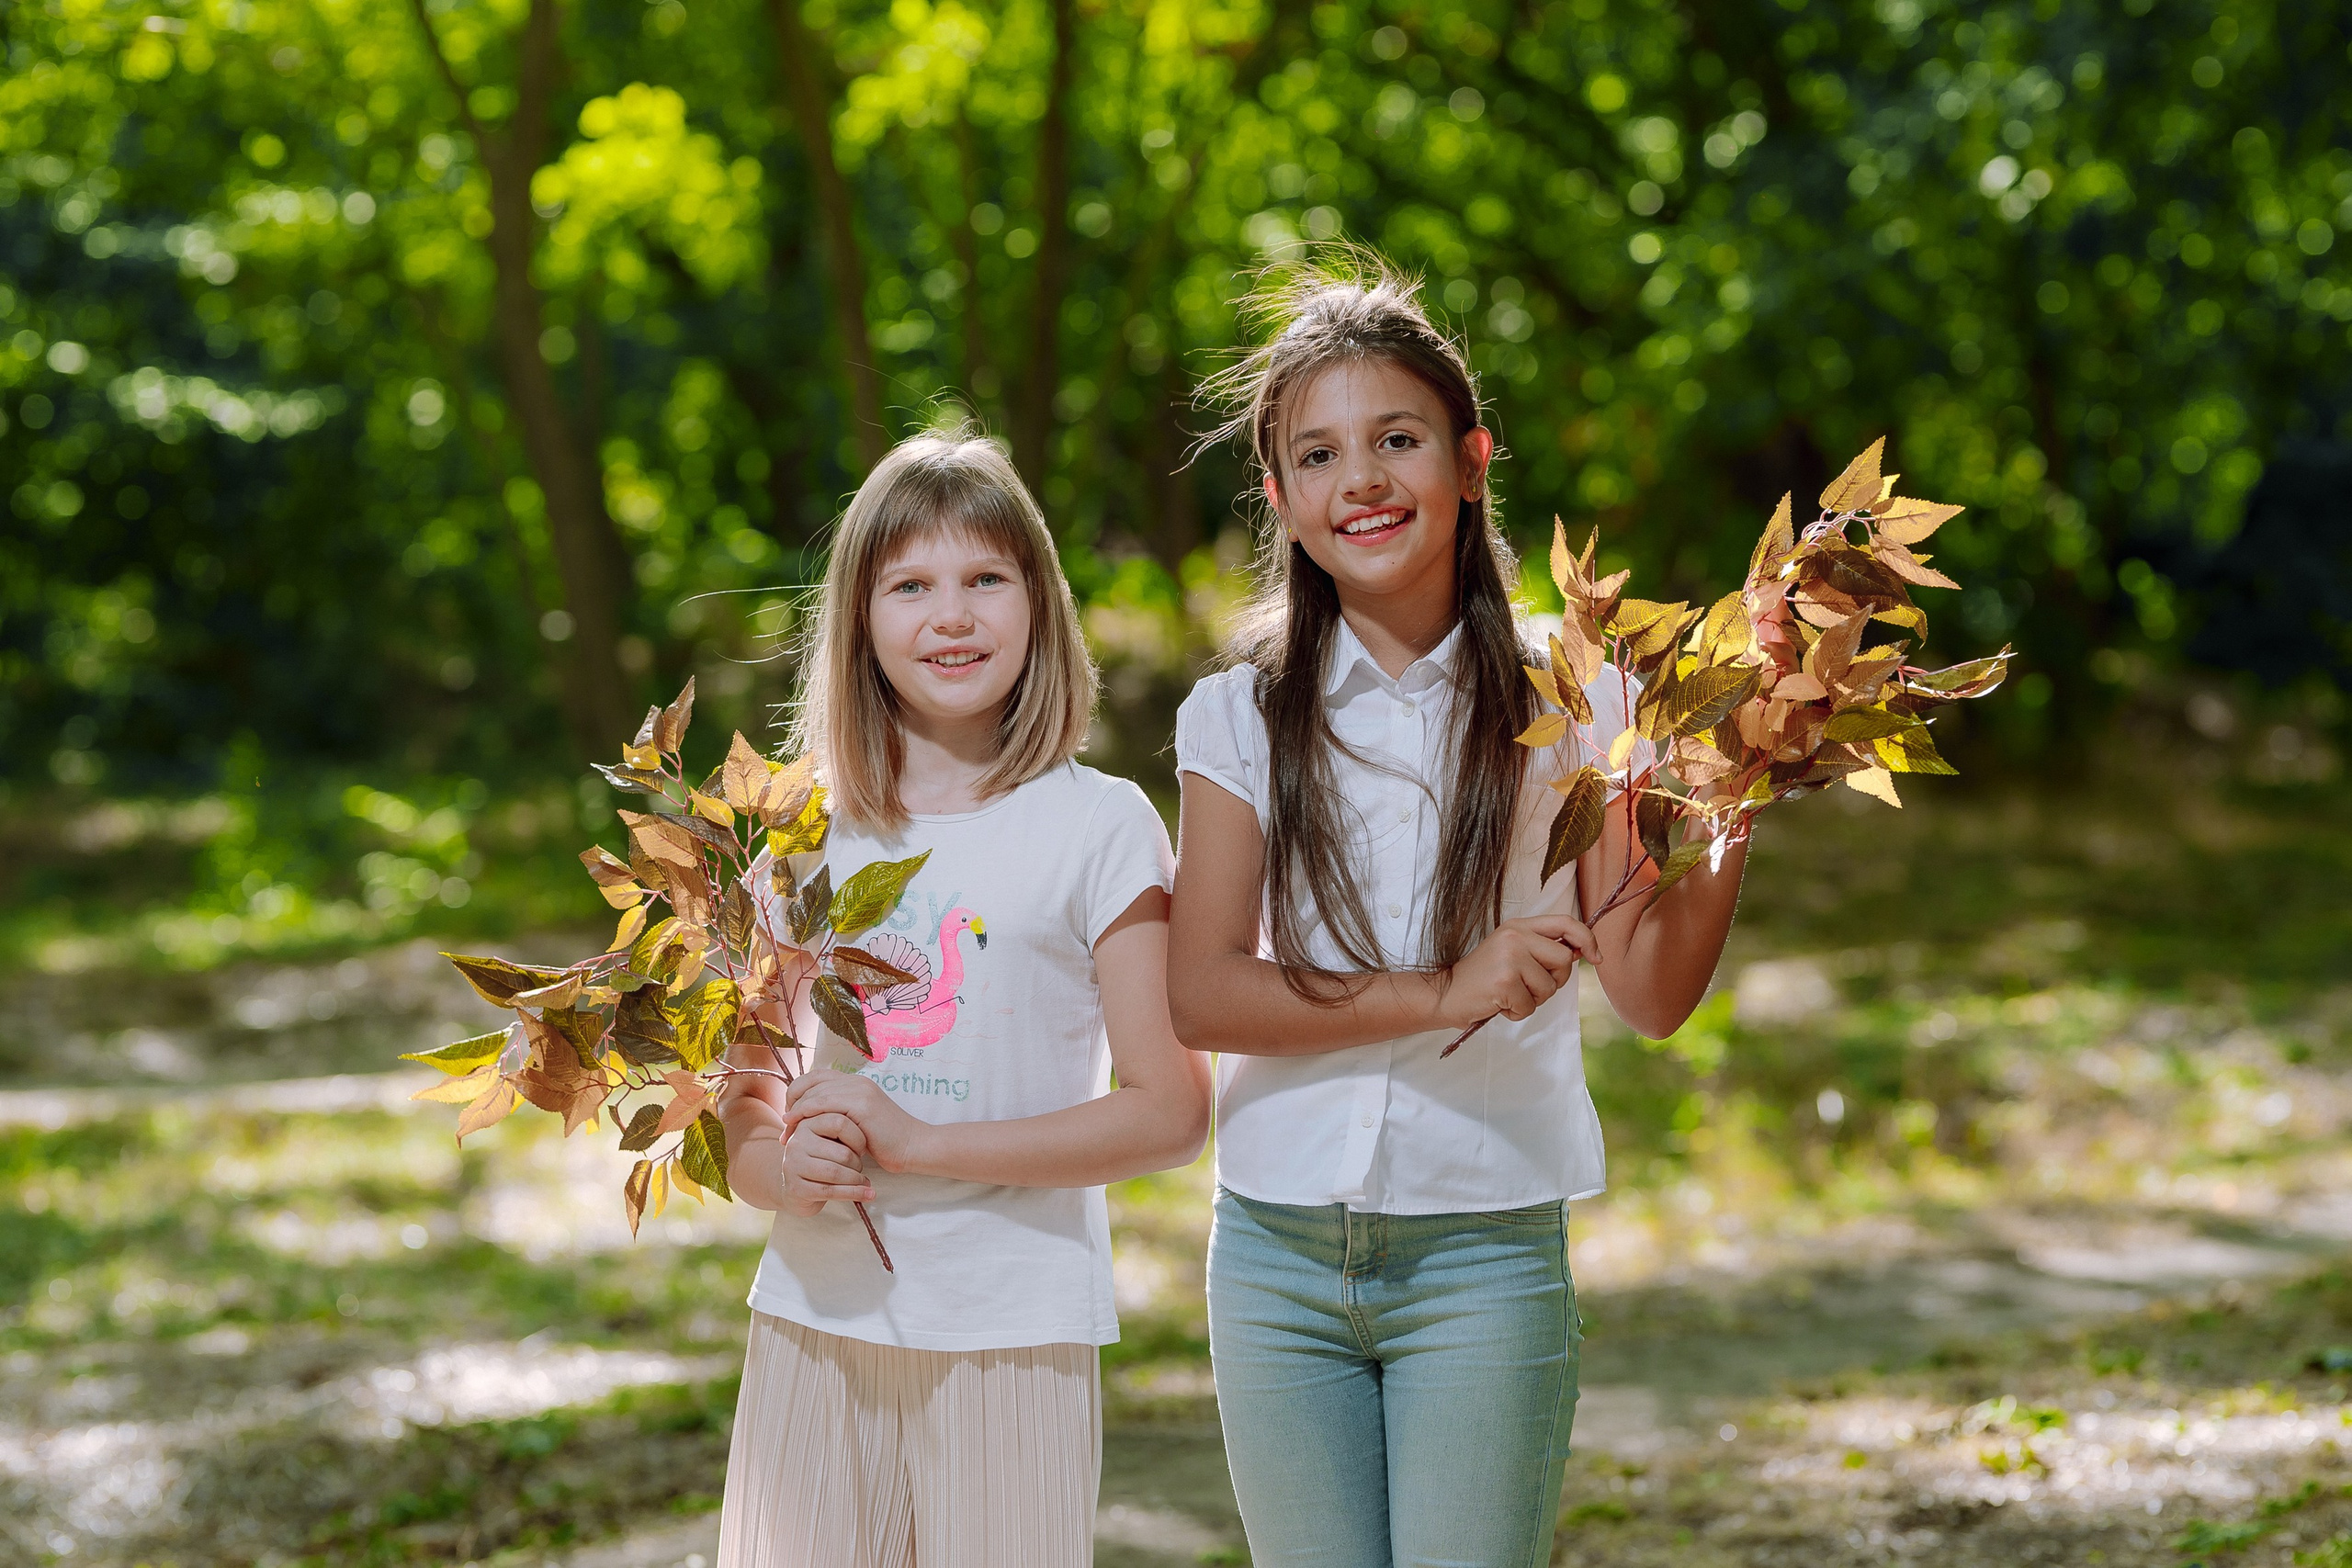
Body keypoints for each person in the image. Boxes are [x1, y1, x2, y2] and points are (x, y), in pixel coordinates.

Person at [1168, 259, 1746, 1567]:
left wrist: (1726, 807)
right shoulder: (1239, 716)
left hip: (1483, 1249)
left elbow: (1652, 994)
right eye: (1318, 453)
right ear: (1281, 499)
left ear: (1473, 459)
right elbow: (1201, 990)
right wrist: (1445, 987)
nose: (1361, 478)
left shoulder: (1579, 696)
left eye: (1399, 438)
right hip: (1273, 1255)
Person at [713, 422, 1212, 1568]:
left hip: (1014, 1330)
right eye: (911, 584)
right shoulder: (798, 829)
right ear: (858, 618)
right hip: (814, 1318)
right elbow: (742, 1095)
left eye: (987, 578)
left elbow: (1169, 1112)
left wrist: (925, 1142)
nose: (952, 614)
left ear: (1038, 602)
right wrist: (774, 1170)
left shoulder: (1101, 827)